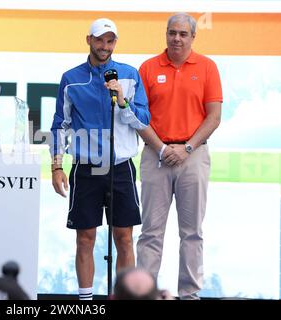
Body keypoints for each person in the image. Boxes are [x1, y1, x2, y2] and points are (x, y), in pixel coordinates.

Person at [50, 18, 150, 300]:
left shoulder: (129, 75)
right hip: (86, 168)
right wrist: (57, 166)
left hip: (120, 168)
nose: (105, 46)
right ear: (89, 40)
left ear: (115, 43)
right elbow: (60, 124)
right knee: (85, 238)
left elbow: (143, 119)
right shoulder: (71, 79)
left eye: (110, 41)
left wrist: (122, 100)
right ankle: (85, 301)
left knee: (124, 238)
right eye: (99, 40)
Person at [136, 13, 222, 300]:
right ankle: (144, 293)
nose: (177, 38)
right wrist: (161, 147)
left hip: (193, 154)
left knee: (192, 232)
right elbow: (137, 117)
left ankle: (190, 294)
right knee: (150, 232)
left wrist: (186, 148)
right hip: (154, 155)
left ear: (192, 37)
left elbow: (214, 116)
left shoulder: (207, 67)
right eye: (172, 32)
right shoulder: (147, 68)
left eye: (183, 34)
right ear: (166, 34)